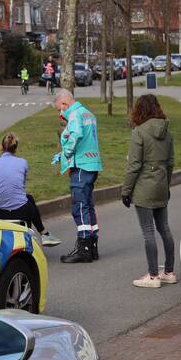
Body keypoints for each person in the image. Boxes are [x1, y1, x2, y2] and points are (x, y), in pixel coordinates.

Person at [0, 133, 61, 247]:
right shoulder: (23, 163)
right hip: (23, 211)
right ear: (15, 148)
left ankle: (41, 235)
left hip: (3, 213)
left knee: (27, 198)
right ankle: (43, 234)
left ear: (1, 147)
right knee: (28, 199)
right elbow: (21, 186)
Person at [120, 95, 176, 288]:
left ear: (139, 110)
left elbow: (134, 165)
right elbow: (170, 163)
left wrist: (126, 191)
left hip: (144, 186)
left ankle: (153, 276)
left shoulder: (139, 132)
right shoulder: (167, 132)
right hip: (161, 185)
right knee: (165, 229)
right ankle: (169, 271)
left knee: (148, 231)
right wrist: (166, 186)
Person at [52, 90, 103, 263]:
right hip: (92, 165)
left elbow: (75, 136)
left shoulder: (75, 114)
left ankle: (84, 248)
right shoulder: (88, 113)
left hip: (81, 165)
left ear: (65, 104)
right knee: (88, 205)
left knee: (80, 206)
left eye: (60, 109)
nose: (61, 113)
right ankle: (92, 245)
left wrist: (65, 153)